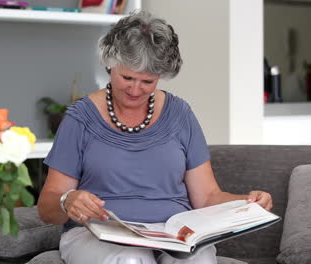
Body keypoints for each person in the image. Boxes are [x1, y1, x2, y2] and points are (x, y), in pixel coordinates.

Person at [37, 10, 273, 264]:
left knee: (198, 258)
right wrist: (67, 200)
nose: (136, 90)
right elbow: (47, 207)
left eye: (147, 81)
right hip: (96, 235)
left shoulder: (180, 114)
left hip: (171, 234)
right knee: (129, 258)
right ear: (109, 64)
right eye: (127, 77)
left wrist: (248, 202)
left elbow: (207, 197)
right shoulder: (80, 118)